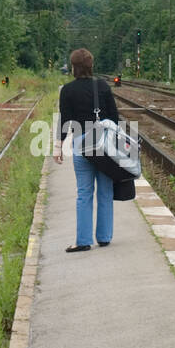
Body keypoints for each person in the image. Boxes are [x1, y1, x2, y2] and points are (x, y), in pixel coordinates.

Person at [53, 47, 119, 253]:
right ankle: (105, 237)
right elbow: (115, 118)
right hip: (105, 145)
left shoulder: (67, 90)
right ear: (91, 66)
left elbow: (64, 121)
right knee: (106, 191)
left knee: (84, 193)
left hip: (82, 144)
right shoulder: (102, 86)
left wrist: (58, 146)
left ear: (74, 67)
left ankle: (82, 241)